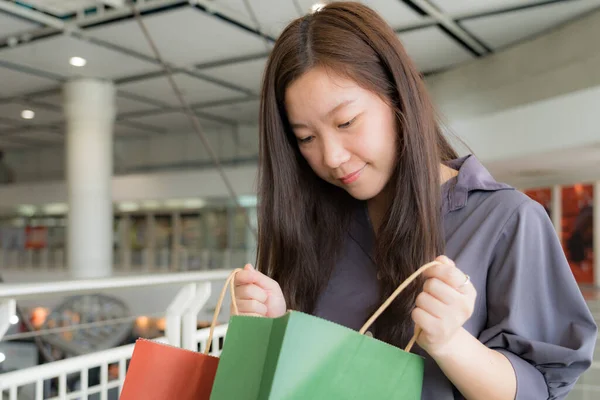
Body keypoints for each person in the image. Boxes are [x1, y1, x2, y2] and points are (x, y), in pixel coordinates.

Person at [232, 2, 597, 399]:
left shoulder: (505, 220)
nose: (332, 156)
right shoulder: (313, 227)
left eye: (346, 122)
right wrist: (274, 331)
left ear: (398, 97)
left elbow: (541, 389)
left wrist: (450, 343)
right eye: (306, 138)